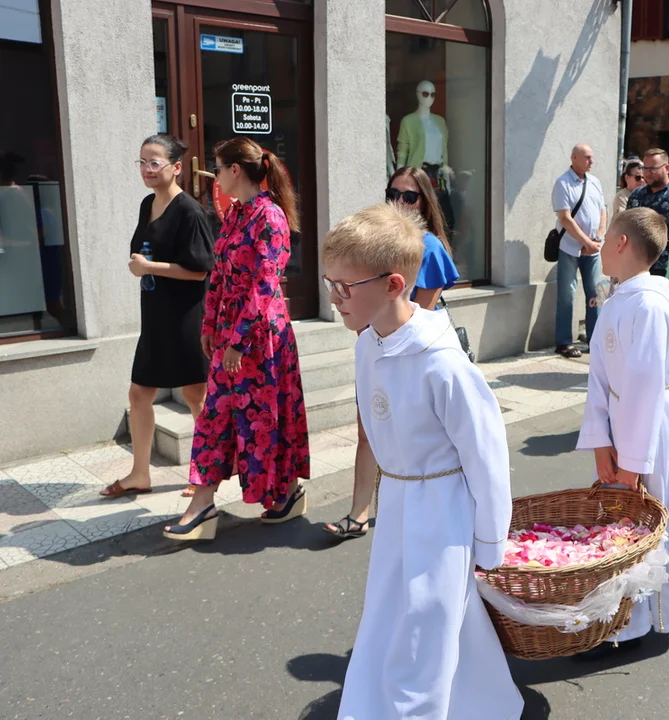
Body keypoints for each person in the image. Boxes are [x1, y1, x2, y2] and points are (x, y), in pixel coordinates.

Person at [325, 203, 522, 719]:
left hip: (443, 508)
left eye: (345, 287)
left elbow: (486, 454)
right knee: (399, 609)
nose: (333, 298)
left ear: (393, 284)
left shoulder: (443, 364)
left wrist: (490, 540)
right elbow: (375, 429)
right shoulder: (368, 343)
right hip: (400, 498)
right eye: (329, 282)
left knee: (425, 622)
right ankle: (485, 703)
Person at [577, 207, 669, 656]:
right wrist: (601, 438)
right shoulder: (619, 297)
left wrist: (633, 465)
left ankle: (643, 617)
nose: (598, 244)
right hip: (624, 423)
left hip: (654, 425)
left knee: (650, 520)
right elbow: (599, 375)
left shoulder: (652, 303)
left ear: (621, 243)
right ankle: (652, 608)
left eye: (605, 236)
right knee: (633, 523)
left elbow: (644, 388)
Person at [163, 137, 310, 541]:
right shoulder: (236, 215)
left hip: (261, 341)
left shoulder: (270, 217)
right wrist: (210, 326)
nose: (214, 174)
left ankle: (285, 492)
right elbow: (219, 276)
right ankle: (203, 504)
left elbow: (265, 286)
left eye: (217, 166)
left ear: (236, 171)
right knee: (215, 418)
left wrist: (237, 342)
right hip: (232, 336)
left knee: (264, 420)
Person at [321, 166, 459, 541]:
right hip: (377, 346)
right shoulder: (381, 248)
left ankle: (411, 514)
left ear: (425, 201)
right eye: (393, 193)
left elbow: (421, 314)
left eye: (409, 196)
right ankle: (359, 512)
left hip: (410, 356)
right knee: (369, 431)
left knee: (413, 444)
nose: (400, 202)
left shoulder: (426, 247)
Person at [100, 135, 215, 500]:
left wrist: (150, 266)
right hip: (154, 315)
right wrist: (144, 265)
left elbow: (199, 270)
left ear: (176, 167)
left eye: (155, 163)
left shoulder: (190, 211)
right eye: (142, 163)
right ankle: (139, 474)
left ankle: (204, 474)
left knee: (196, 394)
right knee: (139, 394)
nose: (147, 170)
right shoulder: (147, 204)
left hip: (185, 314)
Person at [552, 143, 606, 358]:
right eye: (586, 157)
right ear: (574, 158)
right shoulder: (563, 183)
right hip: (570, 248)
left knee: (596, 294)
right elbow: (565, 218)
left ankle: (596, 339)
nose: (591, 161)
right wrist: (585, 241)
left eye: (592, 157)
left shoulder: (595, 182)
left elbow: (603, 211)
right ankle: (564, 341)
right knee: (567, 294)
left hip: (593, 247)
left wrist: (598, 238)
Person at [627, 148, 669, 277]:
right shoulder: (637, 194)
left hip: (666, 270)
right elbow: (628, 227)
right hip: (637, 265)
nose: (647, 173)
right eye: (645, 169)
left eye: (653, 169)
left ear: (667, 168)